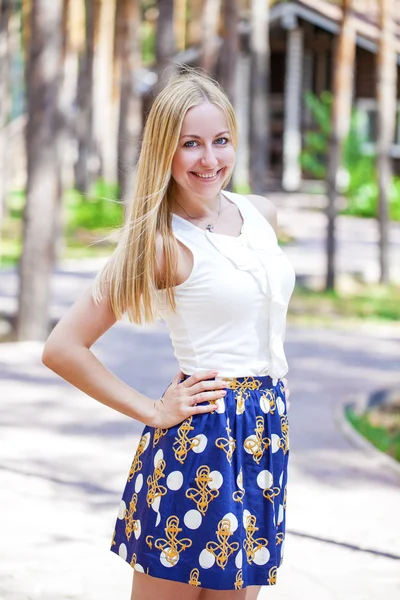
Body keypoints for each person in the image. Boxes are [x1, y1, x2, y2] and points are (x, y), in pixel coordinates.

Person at [42, 69, 295, 600]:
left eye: (220, 141)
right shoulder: (159, 244)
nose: (210, 160)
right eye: (191, 145)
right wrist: (152, 410)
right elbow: (62, 347)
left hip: (265, 431)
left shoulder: (260, 213)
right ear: (166, 152)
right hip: (200, 438)